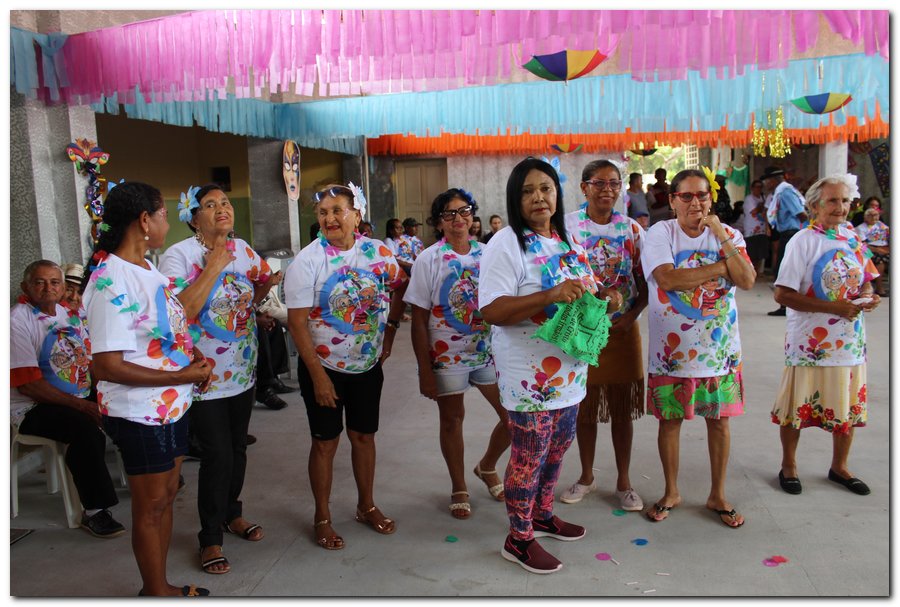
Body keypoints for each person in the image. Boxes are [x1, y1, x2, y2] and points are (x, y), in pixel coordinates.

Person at [479, 157, 622, 574]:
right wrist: (549, 295)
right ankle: (518, 539)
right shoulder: (506, 243)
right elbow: (491, 309)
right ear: (514, 199)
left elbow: (583, 291)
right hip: (529, 376)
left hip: (570, 371)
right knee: (528, 456)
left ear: (558, 194)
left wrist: (605, 297)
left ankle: (542, 514)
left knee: (557, 451)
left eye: (545, 188)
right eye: (527, 191)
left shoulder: (567, 238)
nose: (538, 197)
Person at [83, 181, 212, 596]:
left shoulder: (147, 268)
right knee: (151, 506)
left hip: (170, 405)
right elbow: (106, 366)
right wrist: (181, 377)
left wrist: (190, 362)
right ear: (144, 220)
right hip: (138, 412)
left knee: (167, 493)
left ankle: (161, 583)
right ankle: (155, 591)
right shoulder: (109, 280)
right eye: (161, 215)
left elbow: (163, 331)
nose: (165, 224)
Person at [159, 183, 281, 575]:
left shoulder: (243, 250)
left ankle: (232, 513)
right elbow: (180, 312)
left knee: (238, 448)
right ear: (193, 218)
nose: (222, 209)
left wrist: (258, 303)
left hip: (243, 371)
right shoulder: (178, 256)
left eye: (225, 202)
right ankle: (210, 537)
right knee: (217, 455)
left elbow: (264, 280)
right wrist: (212, 265)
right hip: (203, 376)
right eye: (209, 205)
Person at [284, 183, 408, 551]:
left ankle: (366, 505)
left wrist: (389, 332)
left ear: (357, 214)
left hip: (367, 365)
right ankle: (322, 516)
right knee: (325, 443)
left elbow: (401, 284)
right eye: (323, 213)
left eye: (338, 210)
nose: (330, 218)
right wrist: (319, 377)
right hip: (322, 365)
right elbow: (297, 322)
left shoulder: (377, 252)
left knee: (364, 437)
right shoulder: (308, 260)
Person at [642, 168, 756, 529]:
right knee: (670, 422)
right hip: (671, 353)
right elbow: (668, 278)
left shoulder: (730, 234)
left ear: (712, 198)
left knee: (720, 424)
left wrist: (721, 235)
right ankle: (671, 491)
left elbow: (749, 280)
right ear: (673, 200)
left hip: (719, 352)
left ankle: (717, 495)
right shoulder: (661, 232)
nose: (696, 202)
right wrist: (722, 267)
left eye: (702, 195)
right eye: (687, 196)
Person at [771, 174, 881, 496]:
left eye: (845, 201)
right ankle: (789, 465)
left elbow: (868, 278)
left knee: (846, 406)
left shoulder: (852, 237)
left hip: (849, 341)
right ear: (815, 205)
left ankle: (839, 466)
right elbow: (782, 294)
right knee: (797, 407)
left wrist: (868, 294)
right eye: (833, 200)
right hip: (811, 344)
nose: (841, 207)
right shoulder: (802, 241)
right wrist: (834, 308)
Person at [404, 188, 510, 519]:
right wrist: (424, 370)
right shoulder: (428, 259)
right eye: (449, 215)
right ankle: (458, 485)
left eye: (463, 212)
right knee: (452, 419)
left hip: (488, 352)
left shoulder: (488, 253)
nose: (458, 219)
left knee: (513, 416)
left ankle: (488, 466)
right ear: (439, 223)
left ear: (473, 216)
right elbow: (418, 319)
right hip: (446, 356)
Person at [11, 260, 125, 539]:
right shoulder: (16, 321)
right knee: (84, 430)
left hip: (75, 394)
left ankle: (144, 479)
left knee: (126, 405)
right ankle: (96, 511)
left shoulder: (67, 315)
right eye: (39, 282)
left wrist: (106, 393)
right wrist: (84, 405)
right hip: (33, 407)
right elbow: (29, 386)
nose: (48, 288)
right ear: (26, 287)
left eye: (54, 282)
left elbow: (88, 362)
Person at [559, 160, 648, 513]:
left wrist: (630, 317)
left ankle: (624, 482)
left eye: (614, 183)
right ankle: (585, 477)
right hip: (582, 329)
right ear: (584, 187)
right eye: (599, 183)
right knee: (585, 407)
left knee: (623, 408)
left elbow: (644, 283)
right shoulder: (567, 227)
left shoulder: (632, 230)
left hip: (622, 329)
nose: (607, 189)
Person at [764, 166, 808, 316]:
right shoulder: (782, 192)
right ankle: (785, 306)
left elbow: (801, 214)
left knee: (784, 270)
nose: (766, 184)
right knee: (783, 269)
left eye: (767, 181)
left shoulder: (786, 193)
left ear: (774, 180)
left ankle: (787, 305)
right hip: (787, 233)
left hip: (791, 234)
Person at [855, 207, 890, 297]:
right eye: (871, 215)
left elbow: (888, 235)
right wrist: (878, 250)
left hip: (884, 248)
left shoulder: (880, 225)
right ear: (865, 217)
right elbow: (863, 245)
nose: (874, 217)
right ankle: (879, 287)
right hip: (869, 250)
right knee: (880, 260)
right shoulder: (861, 228)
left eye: (876, 215)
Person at [741, 180, 769, 277]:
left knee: (760, 252)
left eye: (760, 187)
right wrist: (763, 205)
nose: (759, 189)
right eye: (756, 187)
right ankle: (750, 272)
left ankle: (758, 272)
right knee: (752, 252)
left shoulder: (763, 197)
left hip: (761, 228)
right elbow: (754, 211)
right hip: (751, 229)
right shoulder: (749, 198)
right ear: (752, 188)